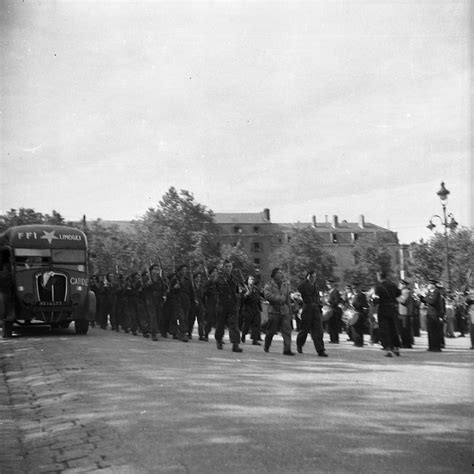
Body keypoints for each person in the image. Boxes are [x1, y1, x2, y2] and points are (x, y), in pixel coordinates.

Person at [296, 270, 328, 357]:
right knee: (304, 330)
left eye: (314, 277)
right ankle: (299, 344)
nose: (313, 279)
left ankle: (320, 350)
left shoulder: (315, 286)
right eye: (312, 277)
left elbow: (317, 297)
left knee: (318, 331)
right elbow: (299, 291)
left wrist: (320, 305)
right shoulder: (303, 285)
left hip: (316, 310)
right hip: (307, 310)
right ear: (308, 276)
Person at [263, 267, 294, 355]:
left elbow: (287, 299)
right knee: (271, 331)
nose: (281, 274)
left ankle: (287, 349)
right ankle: (267, 345)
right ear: (274, 275)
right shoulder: (269, 285)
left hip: (284, 311)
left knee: (287, 331)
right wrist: (279, 298)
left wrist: (290, 312)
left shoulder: (285, 285)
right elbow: (267, 295)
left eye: (281, 273)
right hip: (274, 311)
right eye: (278, 273)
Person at [215, 260, 243, 352]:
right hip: (222, 304)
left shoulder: (235, 278)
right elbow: (214, 287)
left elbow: (238, 290)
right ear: (223, 267)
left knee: (234, 324)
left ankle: (235, 344)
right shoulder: (219, 278)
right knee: (220, 324)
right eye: (226, 266)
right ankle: (219, 340)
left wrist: (239, 296)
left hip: (232, 304)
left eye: (230, 266)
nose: (228, 268)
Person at [374, 271, 401, 357]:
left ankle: (388, 349)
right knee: (393, 329)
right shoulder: (392, 285)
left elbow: (376, 300)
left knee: (385, 330)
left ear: (379, 277)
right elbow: (398, 293)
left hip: (383, 309)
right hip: (392, 309)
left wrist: (372, 300)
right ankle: (396, 348)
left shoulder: (378, 287)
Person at [169, 264, 194, 342]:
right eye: (182, 270)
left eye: (185, 270)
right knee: (180, 317)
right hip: (177, 299)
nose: (184, 271)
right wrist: (174, 288)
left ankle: (178, 332)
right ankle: (182, 333)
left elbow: (191, 291)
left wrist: (193, 299)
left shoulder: (188, 280)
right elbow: (169, 291)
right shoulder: (175, 279)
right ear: (179, 271)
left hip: (186, 300)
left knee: (185, 317)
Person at [143, 263, 168, 342]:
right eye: (155, 269)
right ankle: (153, 334)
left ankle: (146, 329)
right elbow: (142, 288)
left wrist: (164, 295)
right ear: (151, 270)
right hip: (150, 298)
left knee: (156, 316)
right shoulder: (147, 277)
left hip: (158, 299)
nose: (156, 271)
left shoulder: (160, 278)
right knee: (152, 316)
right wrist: (147, 284)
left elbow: (164, 288)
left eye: (157, 269)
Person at [420, 279, 444, 352]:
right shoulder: (430, 293)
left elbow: (432, 301)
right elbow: (425, 300)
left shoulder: (436, 292)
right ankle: (431, 346)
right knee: (430, 331)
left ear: (433, 285)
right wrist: (421, 296)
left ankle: (436, 347)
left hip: (434, 314)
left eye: (430, 284)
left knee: (435, 331)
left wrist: (425, 296)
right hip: (430, 313)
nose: (428, 286)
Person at [240, 275, 262, 346]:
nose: (252, 281)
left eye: (253, 279)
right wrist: (246, 295)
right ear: (248, 281)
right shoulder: (244, 288)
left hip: (256, 308)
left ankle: (254, 339)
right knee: (246, 324)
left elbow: (259, 297)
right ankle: (243, 335)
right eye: (250, 279)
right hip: (248, 308)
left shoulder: (256, 289)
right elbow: (242, 299)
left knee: (256, 324)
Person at [350, 282, 369, 347]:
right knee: (354, 328)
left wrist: (353, 305)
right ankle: (356, 341)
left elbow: (362, 305)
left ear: (358, 288)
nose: (354, 289)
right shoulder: (355, 295)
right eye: (353, 288)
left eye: (355, 288)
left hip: (360, 313)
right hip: (355, 313)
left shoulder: (361, 295)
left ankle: (359, 342)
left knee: (359, 328)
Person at [203, 266, 219, 340]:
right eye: (213, 271)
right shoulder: (208, 282)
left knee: (219, 321)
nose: (215, 273)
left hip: (218, 302)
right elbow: (204, 292)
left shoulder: (218, 282)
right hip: (210, 302)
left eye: (216, 271)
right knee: (209, 320)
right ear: (210, 274)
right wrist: (210, 288)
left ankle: (219, 337)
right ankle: (206, 334)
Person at [398, 284, 415, 349]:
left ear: (403, 285)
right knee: (402, 329)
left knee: (405, 329)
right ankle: (404, 342)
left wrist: (396, 297)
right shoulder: (402, 291)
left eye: (400, 284)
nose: (399, 285)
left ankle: (407, 343)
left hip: (405, 312)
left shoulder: (405, 291)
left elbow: (403, 301)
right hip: (402, 312)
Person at [326, 279, 343, 343]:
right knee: (330, 325)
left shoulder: (336, 291)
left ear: (332, 284)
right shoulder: (329, 292)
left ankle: (335, 339)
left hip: (335, 310)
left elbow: (337, 301)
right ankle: (332, 338)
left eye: (329, 284)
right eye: (327, 284)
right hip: (330, 309)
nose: (328, 285)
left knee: (334, 325)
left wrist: (330, 302)